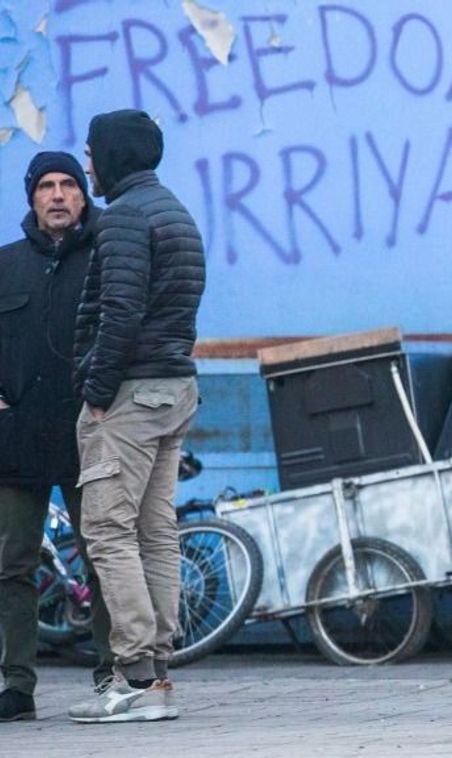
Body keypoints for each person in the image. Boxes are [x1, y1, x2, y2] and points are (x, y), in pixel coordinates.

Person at [66, 109, 205, 724]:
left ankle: (134, 678)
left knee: (108, 531)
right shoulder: (174, 211)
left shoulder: (124, 216)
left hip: (129, 395)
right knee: (155, 531)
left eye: (92, 154)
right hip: (174, 389)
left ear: (113, 156)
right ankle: (158, 678)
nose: (87, 165)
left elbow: (119, 311)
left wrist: (96, 390)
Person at [0, 152, 110, 722]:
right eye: (47, 186)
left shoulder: (102, 259)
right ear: (32, 197)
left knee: (103, 558)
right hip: (16, 438)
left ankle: (113, 673)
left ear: (84, 195)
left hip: (88, 436)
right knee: (10, 564)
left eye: (70, 183)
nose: (60, 194)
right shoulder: (6, 265)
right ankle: (16, 685)